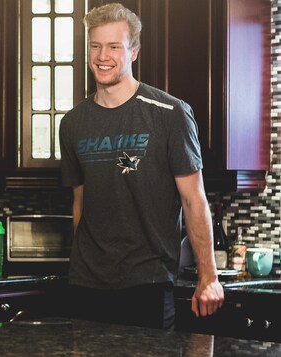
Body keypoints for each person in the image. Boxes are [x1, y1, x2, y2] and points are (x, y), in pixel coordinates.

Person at [59, 3, 224, 329]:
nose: (102, 55)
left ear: (133, 52)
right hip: (85, 284)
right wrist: (79, 266)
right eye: (95, 45)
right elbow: (80, 200)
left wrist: (209, 277)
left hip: (146, 282)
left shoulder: (169, 113)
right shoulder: (72, 123)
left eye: (114, 47)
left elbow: (194, 200)